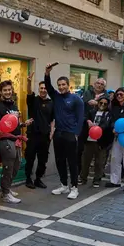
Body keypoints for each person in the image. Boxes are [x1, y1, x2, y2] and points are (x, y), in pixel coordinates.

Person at [44, 63, 85, 200]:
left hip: (70, 134)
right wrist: (47, 73)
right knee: (59, 160)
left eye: (63, 84)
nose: (61, 87)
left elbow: (80, 119)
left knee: (72, 162)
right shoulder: (56, 97)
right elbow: (48, 87)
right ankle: (63, 185)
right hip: (58, 133)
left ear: (68, 85)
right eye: (59, 85)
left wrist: (76, 134)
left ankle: (74, 188)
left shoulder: (76, 99)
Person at [0, 80, 29, 204]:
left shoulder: (14, 106)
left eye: (9, 90)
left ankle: (7, 188)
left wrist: (23, 124)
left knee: (17, 165)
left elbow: (15, 123)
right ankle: (5, 193)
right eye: (5, 90)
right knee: (8, 167)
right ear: (1, 92)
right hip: (5, 140)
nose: (8, 92)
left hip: (16, 139)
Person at [25, 75, 54, 189]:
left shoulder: (51, 102)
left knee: (43, 160)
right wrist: (28, 82)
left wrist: (51, 132)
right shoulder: (34, 100)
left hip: (45, 135)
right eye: (41, 88)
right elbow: (28, 92)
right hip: (33, 134)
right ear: (38, 89)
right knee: (30, 158)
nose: (43, 90)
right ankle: (28, 179)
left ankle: (38, 179)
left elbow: (52, 119)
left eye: (45, 88)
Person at [79, 95, 113, 187]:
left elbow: (107, 126)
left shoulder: (109, 115)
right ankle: (83, 178)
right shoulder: (92, 112)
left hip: (101, 141)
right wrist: (87, 121)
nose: (102, 105)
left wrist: (97, 127)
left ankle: (97, 179)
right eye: (101, 103)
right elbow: (84, 118)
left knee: (99, 162)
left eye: (105, 104)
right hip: (89, 140)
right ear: (97, 103)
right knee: (85, 161)